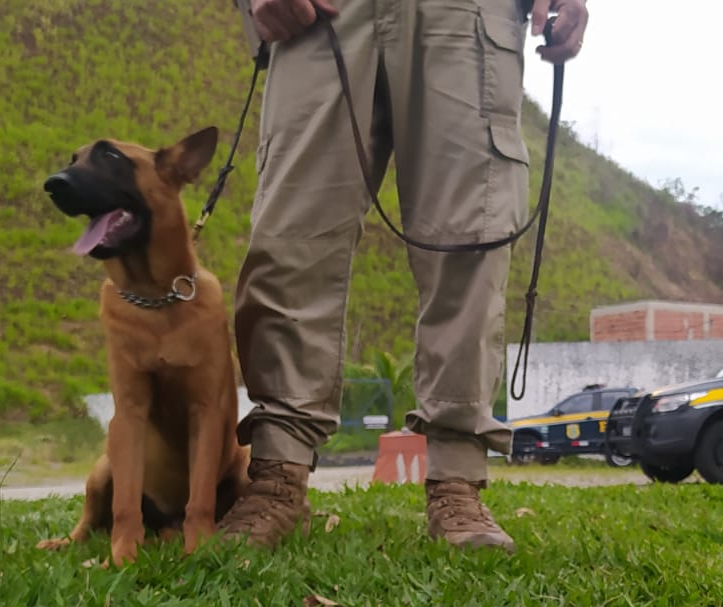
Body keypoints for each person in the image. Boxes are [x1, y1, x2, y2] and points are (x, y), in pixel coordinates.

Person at [221, 0, 590, 551]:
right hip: (323, 12)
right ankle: (278, 475)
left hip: (467, 14)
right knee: (291, 233)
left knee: (472, 237)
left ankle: (457, 481)